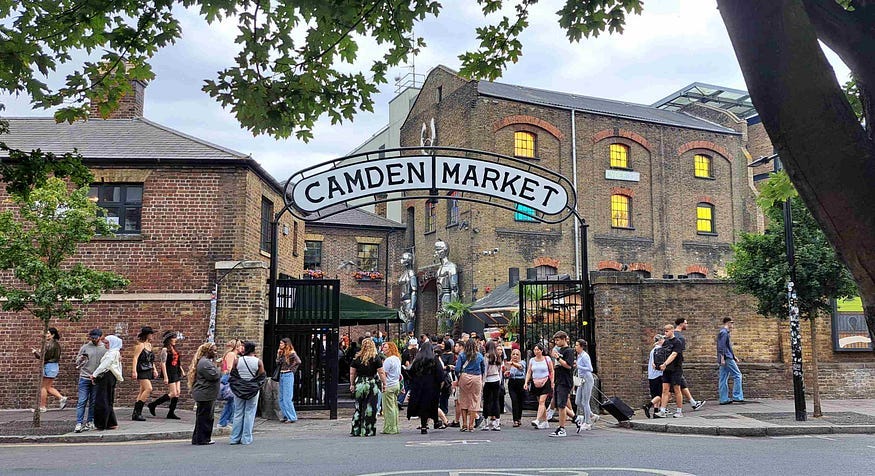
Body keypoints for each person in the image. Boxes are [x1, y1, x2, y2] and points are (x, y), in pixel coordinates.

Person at [407, 341, 446, 434]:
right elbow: (440, 373)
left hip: (419, 386)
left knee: (422, 406)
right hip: (432, 387)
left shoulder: (417, 360)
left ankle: (424, 426)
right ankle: (436, 421)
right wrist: (440, 384)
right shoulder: (434, 359)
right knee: (433, 405)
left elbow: (411, 373)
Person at [230, 341, 265, 445]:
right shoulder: (258, 362)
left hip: (239, 389)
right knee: (249, 413)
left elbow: (233, 374)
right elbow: (261, 376)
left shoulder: (237, 361)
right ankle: (246, 438)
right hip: (252, 390)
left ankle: (234, 438)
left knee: (238, 412)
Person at [349, 338, 385, 437]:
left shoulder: (357, 358)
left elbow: (352, 373)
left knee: (358, 407)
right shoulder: (375, 358)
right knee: (370, 407)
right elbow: (381, 372)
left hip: (360, 383)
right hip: (371, 383)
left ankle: (356, 429)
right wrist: (384, 383)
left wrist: (352, 384)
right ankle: (368, 430)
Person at [74, 328, 106, 433]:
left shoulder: (104, 348)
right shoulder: (85, 347)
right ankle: (79, 423)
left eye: (95, 337)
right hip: (84, 377)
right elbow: (77, 362)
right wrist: (81, 359)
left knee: (93, 402)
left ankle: (90, 421)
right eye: (92, 337)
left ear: (100, 337)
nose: (93, 339)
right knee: (82, 401)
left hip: (97, 378)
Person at [149, 331, 185, 419]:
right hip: (170, 372)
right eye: (174, 338)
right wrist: (165, 376)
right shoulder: (165, 350)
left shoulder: (174, 348)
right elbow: (163, 363)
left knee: (177, 393)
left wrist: (182, 370)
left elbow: (178, 361)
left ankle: (171, 412)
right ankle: (153, 404)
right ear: (169, 339)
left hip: (176, 371)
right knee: (173, 393)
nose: (175, 339)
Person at [190, 342, 220, 445]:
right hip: (205, 394)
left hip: (205, 393)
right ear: (208, 351)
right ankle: (203, 439)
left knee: (202, 417)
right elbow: (214, 375)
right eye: (214, 350)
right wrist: (219, 368)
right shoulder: (205, 363)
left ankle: (197, 438)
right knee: (205, 418)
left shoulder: (205, 362)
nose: (216, 353)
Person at [91, 335, 124, 430]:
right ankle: (111, 422)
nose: (105, 344)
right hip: (111, 377)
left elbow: (104, 365)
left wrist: (94, 374)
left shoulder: (112, 353)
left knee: (102, 399)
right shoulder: (115, 352)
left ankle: (102, 423)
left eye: (107, 343)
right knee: (108, 399)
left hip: (106, 376)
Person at [31, 327, 68, 413]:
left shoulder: (49, 344)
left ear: (52, 335)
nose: (46, 335)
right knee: (48, 387)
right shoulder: (56, 344)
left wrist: (35, 352)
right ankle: (61, 398)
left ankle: (42, 407)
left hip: (49, 366)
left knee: (43, 387)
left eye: (48, 333)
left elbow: (42, 357)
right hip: (54, 366)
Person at [673, 318, 706, 411]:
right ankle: (662, 408)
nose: (687, 325)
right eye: (686, 323)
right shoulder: (680, 337)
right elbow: (678, 352)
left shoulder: (671, 334)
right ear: (681, 324)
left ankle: (693, 403)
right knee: (667, 388)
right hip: (675, 365)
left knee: (682, 383)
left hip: (671, 364)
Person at [547, 331, 576, 437]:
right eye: (555, 340)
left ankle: (562, 428)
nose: (556, 342)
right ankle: (576, 418)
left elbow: (568, 366)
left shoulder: (569, 351)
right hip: (558, 380)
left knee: (562, 405)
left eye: (558, 340)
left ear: (564, 339)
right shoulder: (560, 350)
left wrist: (558, 358)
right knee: (559, 404)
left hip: (565, 380)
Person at [455, 338, 485, 432]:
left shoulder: (461, 355)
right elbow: (483, 368)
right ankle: (471, 425)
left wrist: (459, 377)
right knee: (475, 400)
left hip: (464, 377)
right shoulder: (480, 356)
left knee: (463, 400)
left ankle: (464, 424)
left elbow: (457, 369)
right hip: (476, 378)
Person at [656, 324, 685, 418]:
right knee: (665, 390)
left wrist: (665, 364)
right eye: (665, 331)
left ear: (672, 330)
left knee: (677, 389)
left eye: (667, 331)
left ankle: (679, 411)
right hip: (667, 370)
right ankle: (662, 411)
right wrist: (656, 363)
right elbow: (661, 352)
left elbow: (674, 354)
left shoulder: (677, 342)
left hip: (676, 369)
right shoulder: (666, 342)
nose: (665, 333)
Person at [131, 326, 158, 421]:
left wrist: (154, 369)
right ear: (147, 335)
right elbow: (135, 358)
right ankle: (138, 412)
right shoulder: (141, 345)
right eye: (151, 334)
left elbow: (151, 360)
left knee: (142, 391)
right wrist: (134, 371)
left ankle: (136, 413)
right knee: (149, 388)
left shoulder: (149, 346)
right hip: (141, 370)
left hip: (148, 370)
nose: (152, 336)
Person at [525, 343, 553, 430]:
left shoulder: (547, 359)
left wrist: (552, 381)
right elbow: (529, 372)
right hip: (535, 382)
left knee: (542, 401)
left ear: (542, 351)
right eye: (535, 350)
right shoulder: (532, 360)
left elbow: (551, 371)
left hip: (545, 381)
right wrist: (526, 382)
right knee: (541, 403)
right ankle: (545, 421)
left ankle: (537, 419)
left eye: (538, 350)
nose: (536, 352)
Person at [717, 317, 745, 404]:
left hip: (727, 357)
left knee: (723, 378)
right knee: (738, 375)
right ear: (728, 323)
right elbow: (721, 347)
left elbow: (727, 347)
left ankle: (723, 399)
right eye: (731, 323)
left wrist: (734, 356)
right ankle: (737, 396)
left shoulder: (724, 332)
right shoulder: (724, 333)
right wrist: (723, 358)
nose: (732, 325)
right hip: (726, 358)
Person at [573, 339, 598, 433]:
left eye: (577, 345)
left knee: (585, 401)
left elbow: (590, 368)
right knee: (578, 401)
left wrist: (578, 366)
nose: (575, 347)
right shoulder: (579, 356)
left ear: (581, 346)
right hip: (581, 379)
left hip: (587, 378)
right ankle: (592, 415)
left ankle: (587, 422)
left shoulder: (585, 356)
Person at [276, 337, 302, 423]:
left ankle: (292, 417)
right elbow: (277, 362)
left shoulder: (291, 353)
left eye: (281, 343)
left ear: (286, 344)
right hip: (282, 374)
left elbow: (298, 361)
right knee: (281, 397)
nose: (280, 345)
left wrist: (291, 369)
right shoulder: (282, 353)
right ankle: (285, 415)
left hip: (288, 375)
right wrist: (278, 354)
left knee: (287, 397)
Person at [218, 339, 242, 428]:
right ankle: (229, 422)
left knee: (230, 402)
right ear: (236, 347)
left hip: (228, 377)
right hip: (229, 377)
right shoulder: (231, 354)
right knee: (233, 401)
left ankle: (224, 422)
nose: (241, 348)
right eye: (240, 346)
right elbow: (229, 368)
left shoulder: (231, 354)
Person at [380, 341, 402, 434]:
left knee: (388, 408)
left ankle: (390, 428)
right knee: (394, 406)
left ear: (390, 349)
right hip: (396, 384)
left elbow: (384, 373)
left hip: (388, 385)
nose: (383, 349)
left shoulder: (388, 360)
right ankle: (395, 426)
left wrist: (383, 383)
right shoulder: (397, 358)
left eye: (385, 347)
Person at [481, 340, 504, 431]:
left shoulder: (486, 357)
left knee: (486, 401)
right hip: (496, 379)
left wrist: (483, 382)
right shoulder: (497, 356)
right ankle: (497, 423)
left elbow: (485, 370)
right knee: (496, 400)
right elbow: (499, 369)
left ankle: (486, 423)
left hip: (488, 379)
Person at [642, 334, 666, 419]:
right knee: (661, 394)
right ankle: (648, 406)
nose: (664, 341)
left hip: (651, 375)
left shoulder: (653, 350)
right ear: (659, 341)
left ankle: (656, 412)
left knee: (655, 395)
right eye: (663, 339)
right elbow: (657, 364)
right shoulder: (660, 350)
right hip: (658, 374)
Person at [505, 348, 527, 427]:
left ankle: (519, 418)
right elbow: (508, 373)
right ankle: (515, 420)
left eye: (517, 354)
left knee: (520, 402)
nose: (515, 356)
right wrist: (507, 373)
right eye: (513, 354)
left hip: (520, 383)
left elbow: (520, 367)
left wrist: (512, 364)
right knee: (514, 401)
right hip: (512, 383)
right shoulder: (510, 364)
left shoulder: (522, 362)